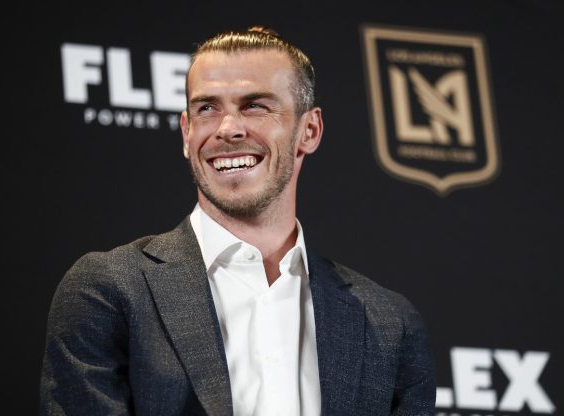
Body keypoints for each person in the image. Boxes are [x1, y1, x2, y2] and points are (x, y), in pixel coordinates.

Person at [40, 26, 435, 415]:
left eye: (255, 106)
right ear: (186, 132)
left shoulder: (389, 324)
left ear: (309, 130)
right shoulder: (109, 292)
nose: (227, 129)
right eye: (207, 108)